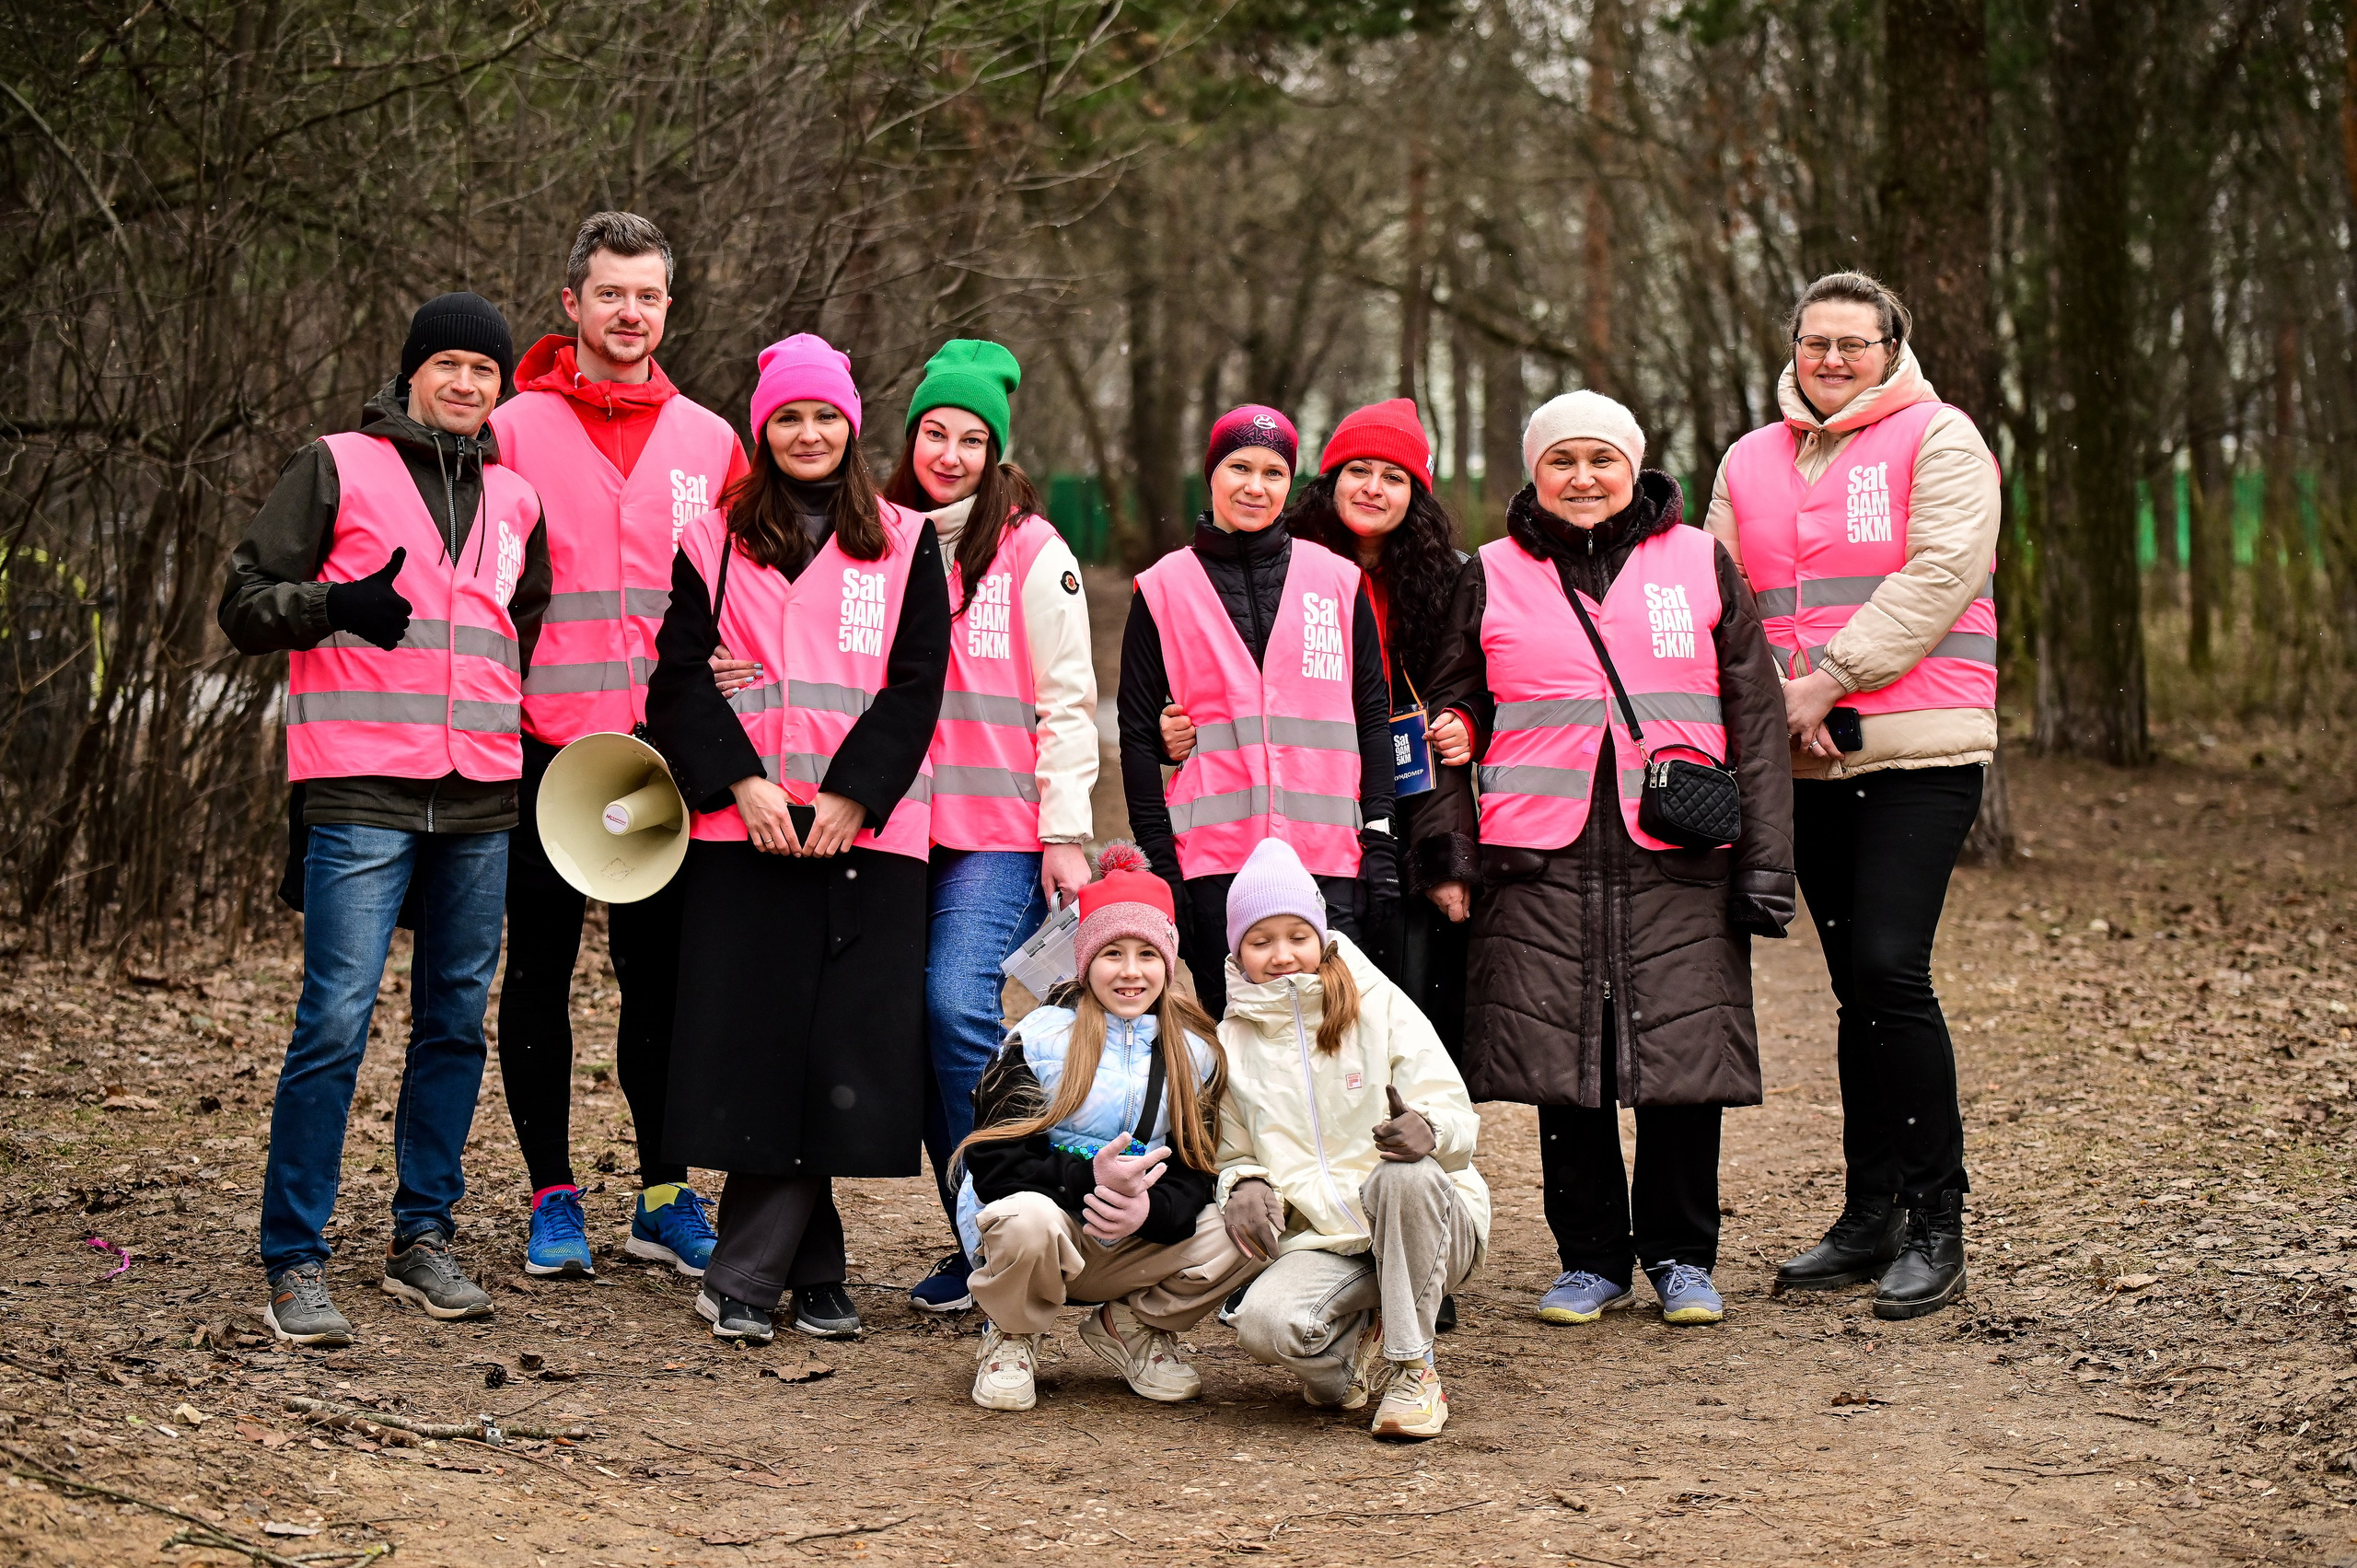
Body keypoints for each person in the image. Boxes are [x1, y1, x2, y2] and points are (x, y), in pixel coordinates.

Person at [1412, 391, 1794, 1329]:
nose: (1582, 477)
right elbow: (1447, 715)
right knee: (1562, 1062)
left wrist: (1765, 867)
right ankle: (1589, 1257)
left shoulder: (1701, 563)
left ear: (1635, 465)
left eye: (1600, 458)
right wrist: (1450, 851)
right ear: (1533, 472)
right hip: (1534, 852)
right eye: (1561, 460)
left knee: (1678, 1057)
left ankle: (1679, 1253)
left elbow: (1755, 720)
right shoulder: (1490, 571)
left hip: (1678, 846)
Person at [218, 293, 550, 1346]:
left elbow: (517, 633)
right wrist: (332, 606)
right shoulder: (338, 465)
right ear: (410, 372)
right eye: (445, 364)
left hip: (481, 795)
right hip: (360, 785)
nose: (464, 383)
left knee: (454, 1022)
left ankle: (422, 1236)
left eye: (482, 370)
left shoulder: (518, 499)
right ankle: (295, 1257)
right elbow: (241, 599)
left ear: (503, 386)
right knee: (334, 1022)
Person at [643, 333, 950, 1344]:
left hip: (869, 834)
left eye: (824, 416)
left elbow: (916, 686)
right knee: (762, 1046)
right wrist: (744, 782)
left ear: (852, 428)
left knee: (838, 1046)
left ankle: (746, 1269)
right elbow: (677, 680)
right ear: (762, 429)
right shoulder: (712, 539)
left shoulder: (908, 542)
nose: (807, 432)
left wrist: (854, 798)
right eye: (787, 417)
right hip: (746, 831)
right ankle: (810, 1271)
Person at [1706, 271, 2001, 1320]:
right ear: (1791, 347)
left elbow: (1937, 576)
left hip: (1916, 749)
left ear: (1891, 348)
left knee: (1888, 965)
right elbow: (1722, 595)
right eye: (1814, 341)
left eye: (1854, 343)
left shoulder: (1941, 439)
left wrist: (1826, 677)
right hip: (1804, 754)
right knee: (1854, 990)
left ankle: (1936, 1219)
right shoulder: (1748, 457)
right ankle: (1868, 1211)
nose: (1831, 359)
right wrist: (1772, 707)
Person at [487, 212, 750, 1282]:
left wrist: (744, 665)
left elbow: (759, 585)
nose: (628, 313)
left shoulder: (712, 439)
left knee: (664, 982)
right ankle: (552, 1193)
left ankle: (661, 1191)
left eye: (646, 296)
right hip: (538, 742)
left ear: (667, 309)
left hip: (664, 755)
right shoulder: (506, 428)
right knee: (539, 971)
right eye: (609, 294)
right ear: (571, 305)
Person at [877, 339, 1097, 1316]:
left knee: (954, 1006)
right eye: (936, 432)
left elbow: (1066, 699)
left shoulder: (1031, 550)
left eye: (973, 438)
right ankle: (979, 1237)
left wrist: (1065, 827)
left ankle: (1014, 1214)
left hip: (994, 827)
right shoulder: (874, 535)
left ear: (998, 451)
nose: (951, 453)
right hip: (886, 826)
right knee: (918, 1028)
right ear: (910, 436)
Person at [1119, 405, 1397, 1018]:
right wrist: (1162, 865)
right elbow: (1136, 739)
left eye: (1273, 472)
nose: (1255, 485)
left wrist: (1379, 839)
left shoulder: (1338, 581)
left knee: (1338, 1045)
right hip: (1214, 865)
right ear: (1212, 473)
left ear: (1289, 485)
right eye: (1239, 466)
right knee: (1243, 1050)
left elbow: (1372, 721)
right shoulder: (1162, 587)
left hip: (1332, 858)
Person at [958, 843, 1256, 1411]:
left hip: (1129, 1240)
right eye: (1111, 953)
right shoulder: (1039, 1038)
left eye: (1147, 954)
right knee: (1026, 1219)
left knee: (1248, 1225)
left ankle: (1131, 1326)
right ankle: (1013, 1333)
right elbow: (994, 1165)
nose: (1129, 971)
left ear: (1167, 963)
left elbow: (1197, 1167)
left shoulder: (1197, 1053)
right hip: (1047, 1231)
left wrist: (1149, 1210)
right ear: (1085, 961)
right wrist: (1086, 1182)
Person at [1215, 839, 1486, 1441]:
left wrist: (1430, 1130)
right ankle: (1351, 1355)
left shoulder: (1378, 1003)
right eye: (1261, 941)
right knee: (1264, 1323)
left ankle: (1416, 1370)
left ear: (1320, 936)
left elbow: (1458, 1118)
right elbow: (1232, 1151)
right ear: (1238, 950)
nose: (1283, 954)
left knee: (1401, 1174)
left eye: (1296, 936)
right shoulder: (1231, 1042)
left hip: (1431, 1219)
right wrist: (1245, 1179)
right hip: (1329, 1239)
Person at [1269, 399, 1472, 1051]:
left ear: (1415, 494)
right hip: (1310, 787)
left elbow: (1478, 680)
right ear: (1330, 480)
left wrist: (1467, 720)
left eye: (1394, 477)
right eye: (1359, 469)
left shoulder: (1450, 578)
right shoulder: (1278, 564)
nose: (1374, 488)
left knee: (1407, 976)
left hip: (1413, 799)